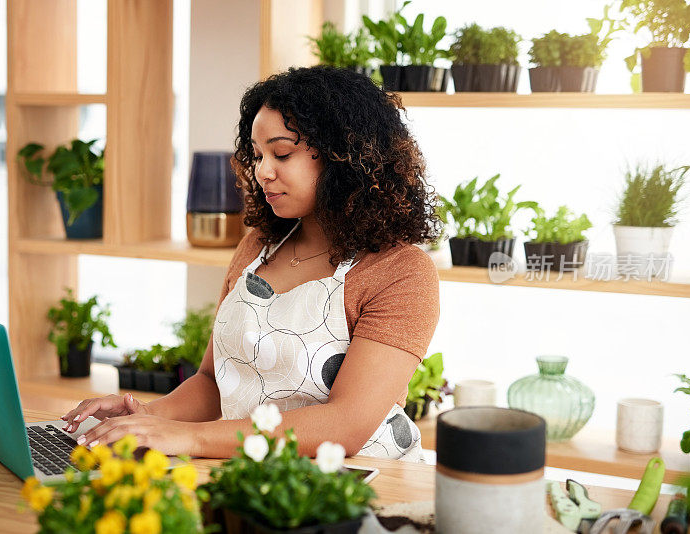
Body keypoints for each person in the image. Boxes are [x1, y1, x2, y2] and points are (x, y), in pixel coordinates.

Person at [62, 66, 441, 461]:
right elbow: (212, 383)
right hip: (250, 471)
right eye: (258, 155)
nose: (262, 171)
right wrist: (142, 418)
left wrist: (189, 439)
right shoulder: (258, 247)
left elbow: (343, 425)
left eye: (282, 153)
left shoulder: (401, 272)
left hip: (356, 482)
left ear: (344, 157)